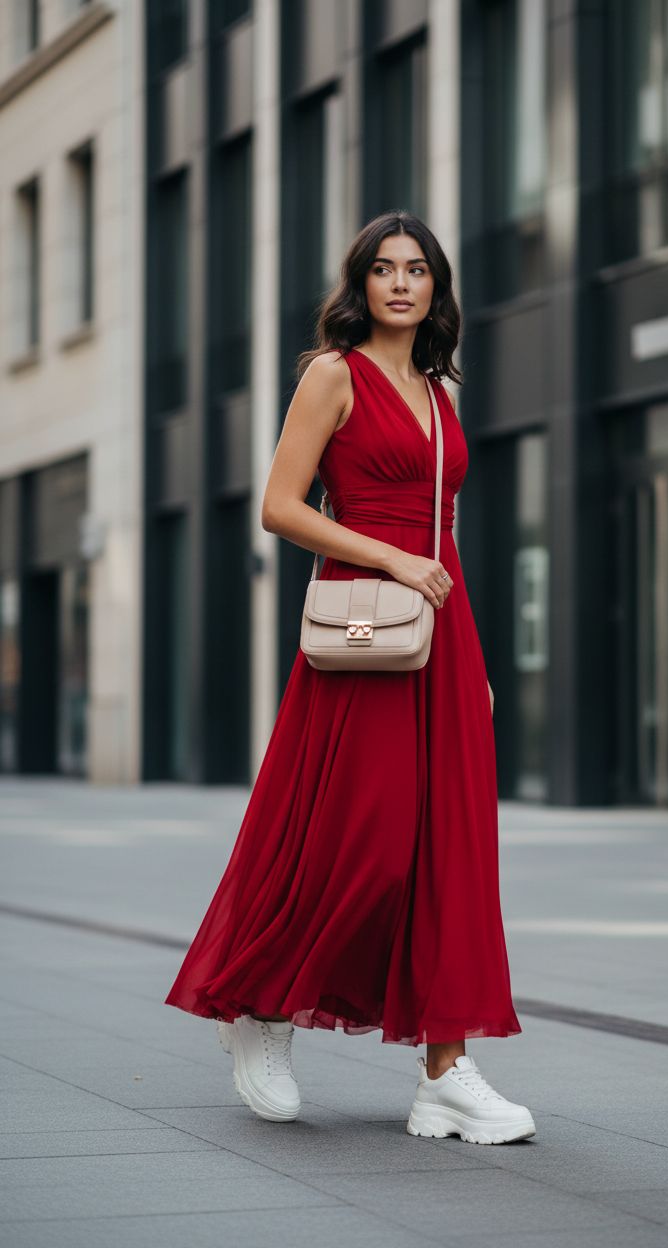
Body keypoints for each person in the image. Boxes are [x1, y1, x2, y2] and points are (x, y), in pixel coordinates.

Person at [165, 209, 535, 1146]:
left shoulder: (441, 391)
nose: (402, 283)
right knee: (363, 842)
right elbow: (279, 507)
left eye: (418, 270)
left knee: (450, 852)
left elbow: (443, 537)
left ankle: (446, 1072)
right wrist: (393, 560)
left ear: (438, 289)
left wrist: (474, 656)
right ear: (360, 285)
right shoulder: (334, 377)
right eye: (384, 268)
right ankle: (261, 1010)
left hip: (441, 640)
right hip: (364, 629)